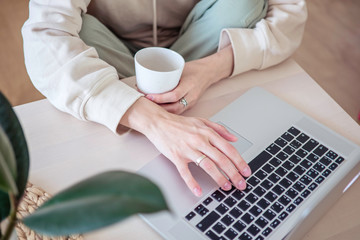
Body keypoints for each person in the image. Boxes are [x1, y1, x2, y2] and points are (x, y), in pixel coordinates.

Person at [22, 0, 307, 197]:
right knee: (74, 32)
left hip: (200, 42)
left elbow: (289, 13)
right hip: (109, 46)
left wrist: (210, 70)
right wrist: (153, 120)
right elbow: (44, 34)